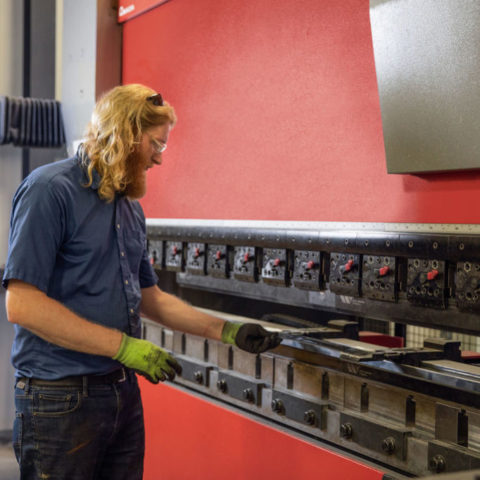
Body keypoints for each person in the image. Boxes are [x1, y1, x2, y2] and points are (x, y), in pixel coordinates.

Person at [2, 83, 280, 480]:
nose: (159, 160)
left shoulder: (129, 208)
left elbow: (153, 299)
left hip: (120, 392)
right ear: (128, 135)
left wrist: (229, 331)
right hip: (59, 399)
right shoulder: (50, 190)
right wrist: (124, 347)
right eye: (157, 145)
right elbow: (22, 304)